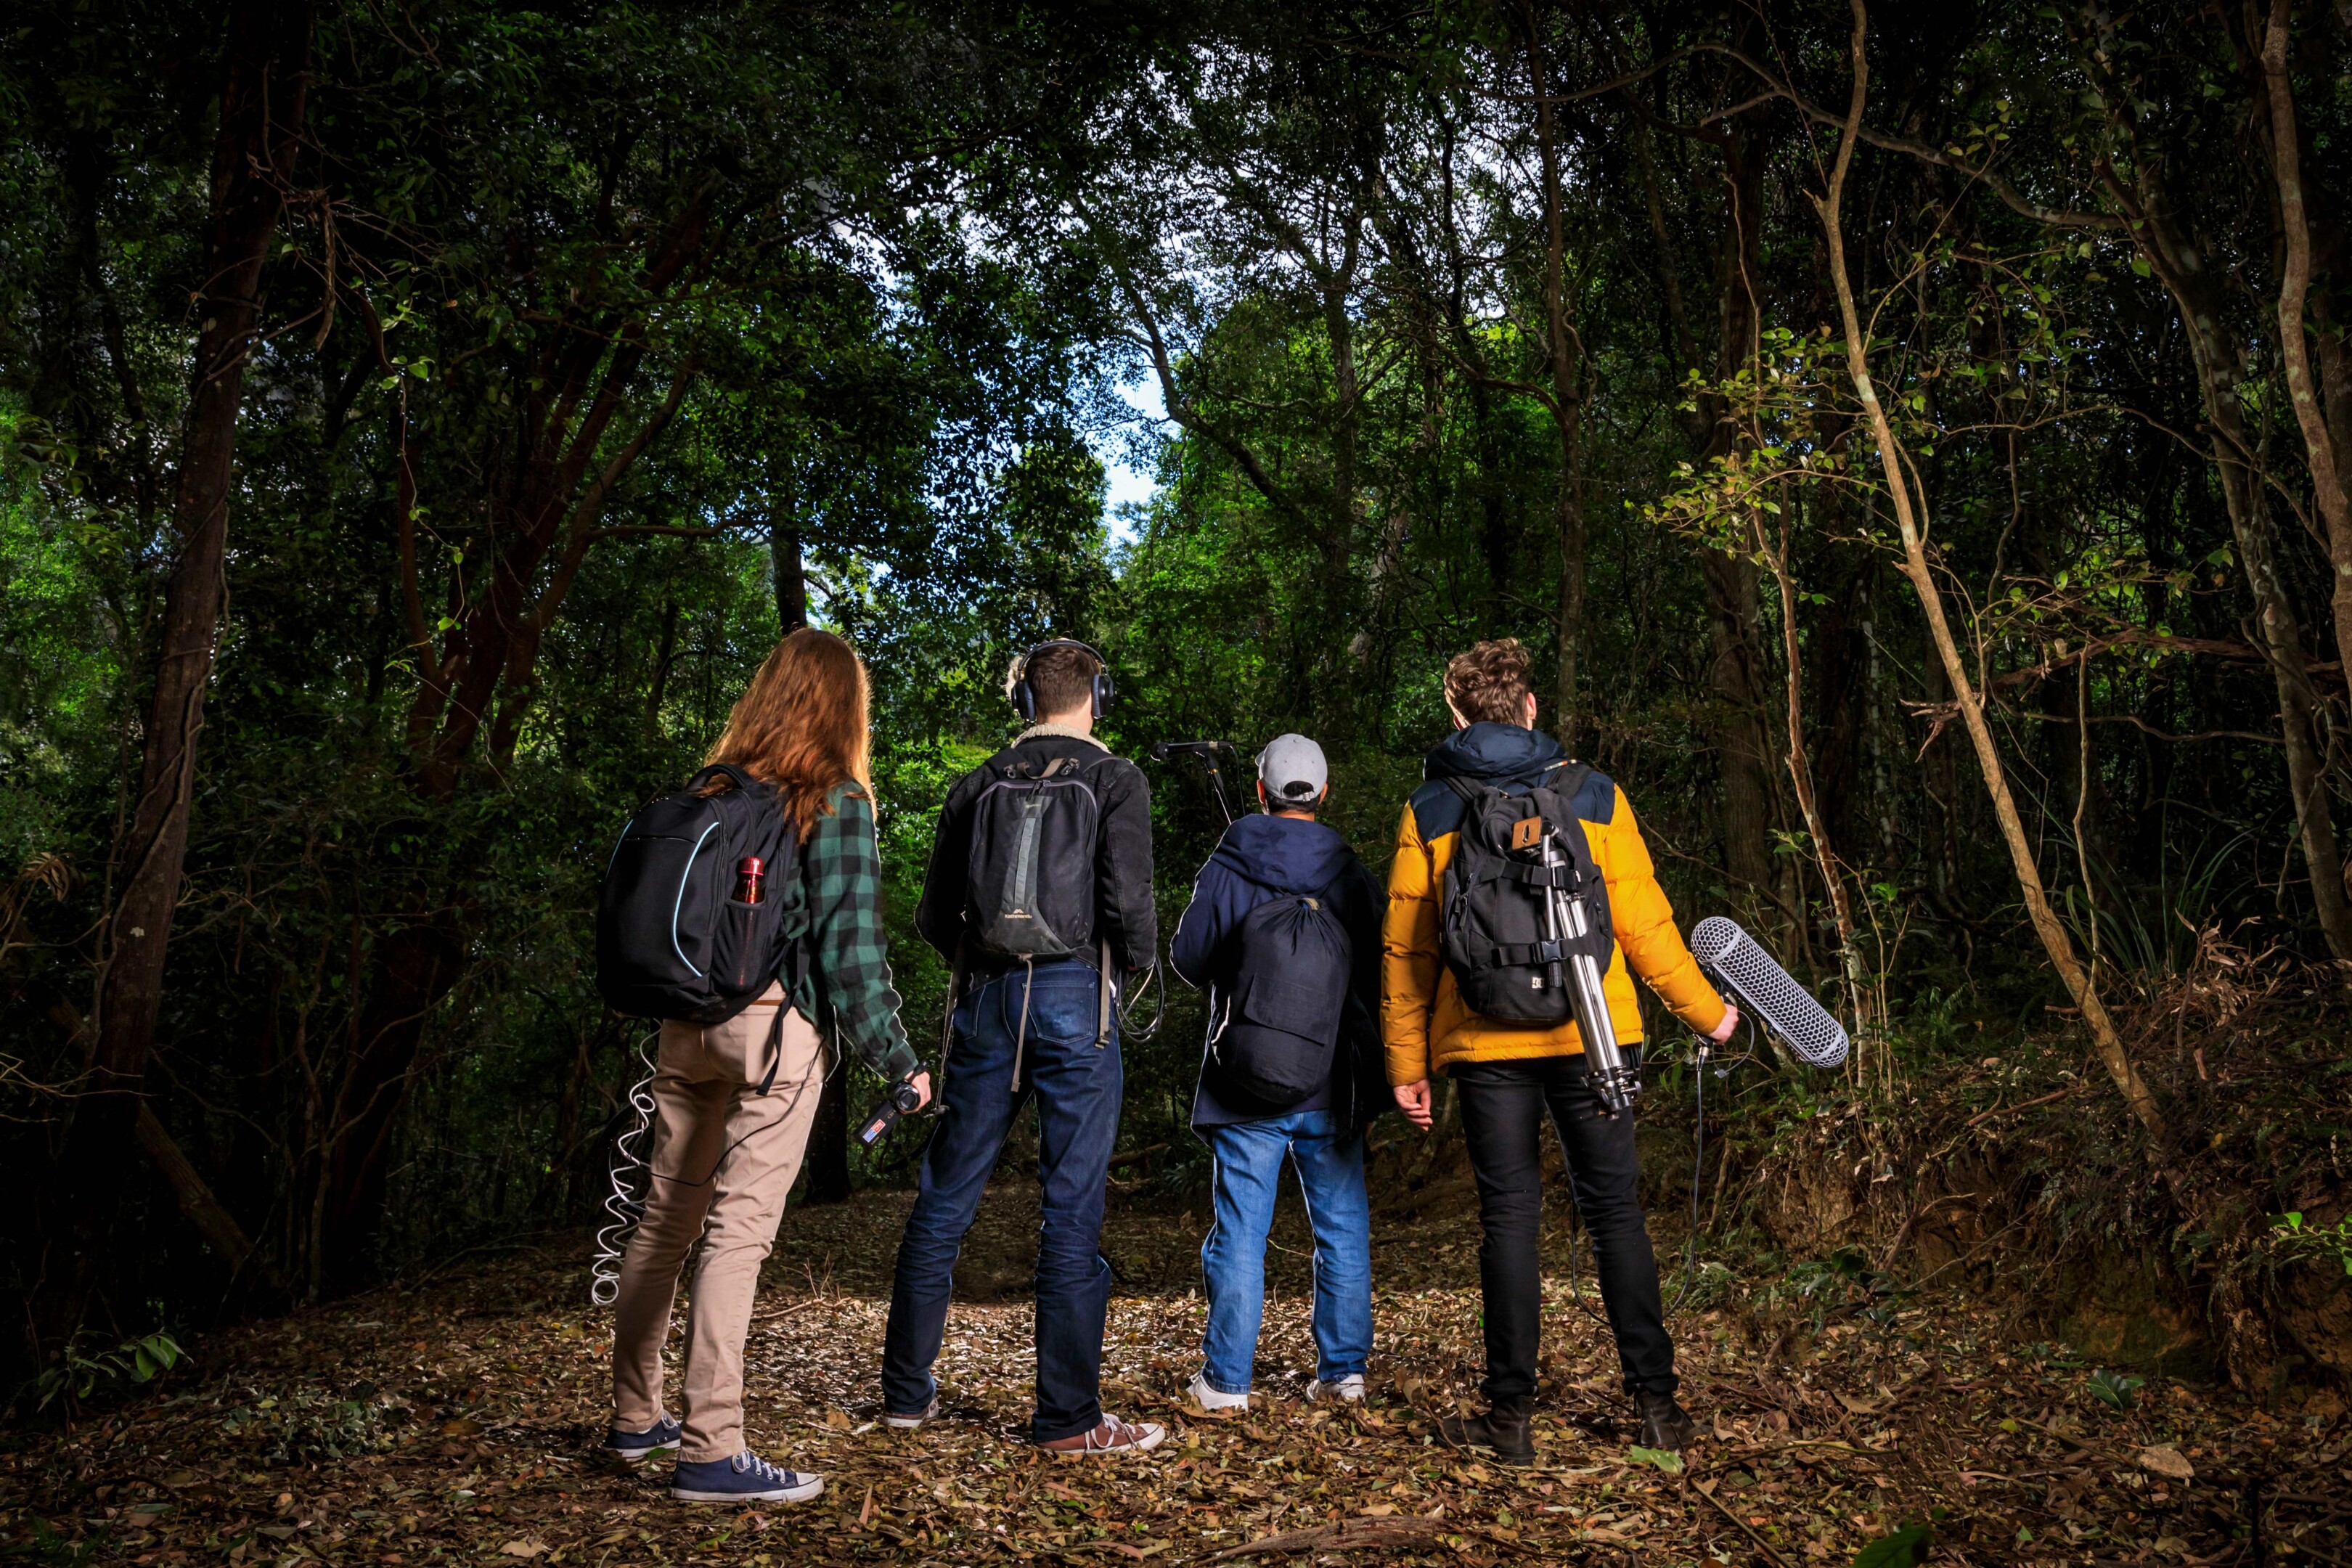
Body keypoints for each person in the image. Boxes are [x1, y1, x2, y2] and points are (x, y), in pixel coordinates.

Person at [1384, 638, 1739, 1465]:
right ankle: (1657, 1411)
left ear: (1458, 714)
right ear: (1532, 707)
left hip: (1483, 1039)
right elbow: (1645, 929)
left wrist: (1409, 1065)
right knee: (1615, 1213)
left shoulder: (1432, 809)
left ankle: (1509, 1421)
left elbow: (1409, 953)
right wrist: (1709, 1014)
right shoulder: (1595, 794)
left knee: (1509, 1219)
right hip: (1597, 1033)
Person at [606, 629, 929, 1504]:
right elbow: (852, 954)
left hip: (685, 1028)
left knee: (664, 1222)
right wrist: (901, 1062)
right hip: (773, 1036)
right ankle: (712, 1449)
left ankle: (636, 1416)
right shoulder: (834, 801)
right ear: (845, 706)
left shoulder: (710, 789)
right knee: (737, 1237)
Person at [880, 640, 1162, 1455]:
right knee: (1070, 1207)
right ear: (1096, 698)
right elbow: (1130, 903)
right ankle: (1066, 1421)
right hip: (1078, 1002)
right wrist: (1133, 965)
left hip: (988, 1005)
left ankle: (904, 1395)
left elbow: (936, 917)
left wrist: (986, 970)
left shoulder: (975, 787)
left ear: (1021, 703)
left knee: (945, 1197)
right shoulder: (1117, 780)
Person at [1169, 735, 1384, 1413]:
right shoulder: (1351, 873)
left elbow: (1188, 957)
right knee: (1341, 1227)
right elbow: (1382, 969)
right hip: (1333, 1076)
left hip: (1245, 1076)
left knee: (1240, 1231)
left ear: (1262, 792)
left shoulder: (1230, 860)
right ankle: (1344, 1373)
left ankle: (1228, 1382)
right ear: (1324, 796)